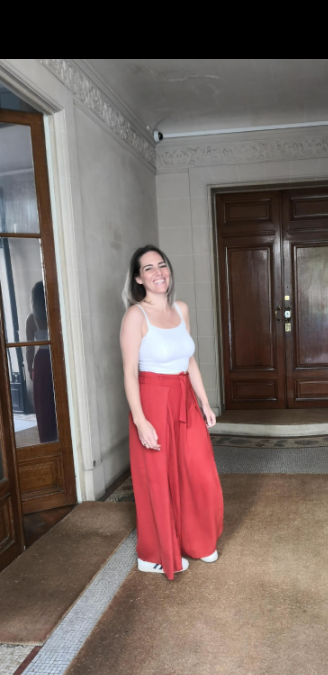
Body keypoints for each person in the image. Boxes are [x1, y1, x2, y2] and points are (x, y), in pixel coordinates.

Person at [119, 245, 224, 580]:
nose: (158, 272)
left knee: (198, 470)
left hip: (184, 399)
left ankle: (198, 540)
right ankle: (152, 554)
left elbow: (188, 359)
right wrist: (140, 421)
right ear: (138, 278)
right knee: (158, 478)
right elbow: (129, 372)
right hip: (152, 401)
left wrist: (204, 402)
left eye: (161, 265)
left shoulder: (181, 309)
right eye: (148, 268)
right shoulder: (136, 315)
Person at [25, 280, 57, 443]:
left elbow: (29, 348)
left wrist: (30, 367)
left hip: (41, 362)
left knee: (42, 399)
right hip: (56, 358)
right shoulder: (55, 314)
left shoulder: (31, 319)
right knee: (57, 397)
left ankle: (47, 436)